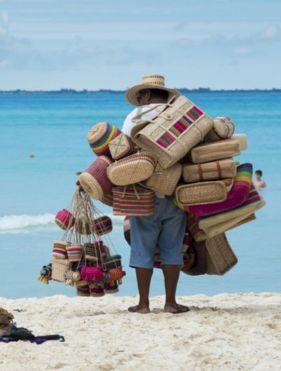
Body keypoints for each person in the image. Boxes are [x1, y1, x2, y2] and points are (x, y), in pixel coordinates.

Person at [121, 74, 189, 314]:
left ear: (146, 94)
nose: (139, 100)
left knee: (142, 247)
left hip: (143, 191)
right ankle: (170, 303)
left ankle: (144, 304)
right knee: (173, 246)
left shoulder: (134, 117)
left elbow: (123, 151)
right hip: (176, 191)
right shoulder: (179, 116)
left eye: (140, 96)